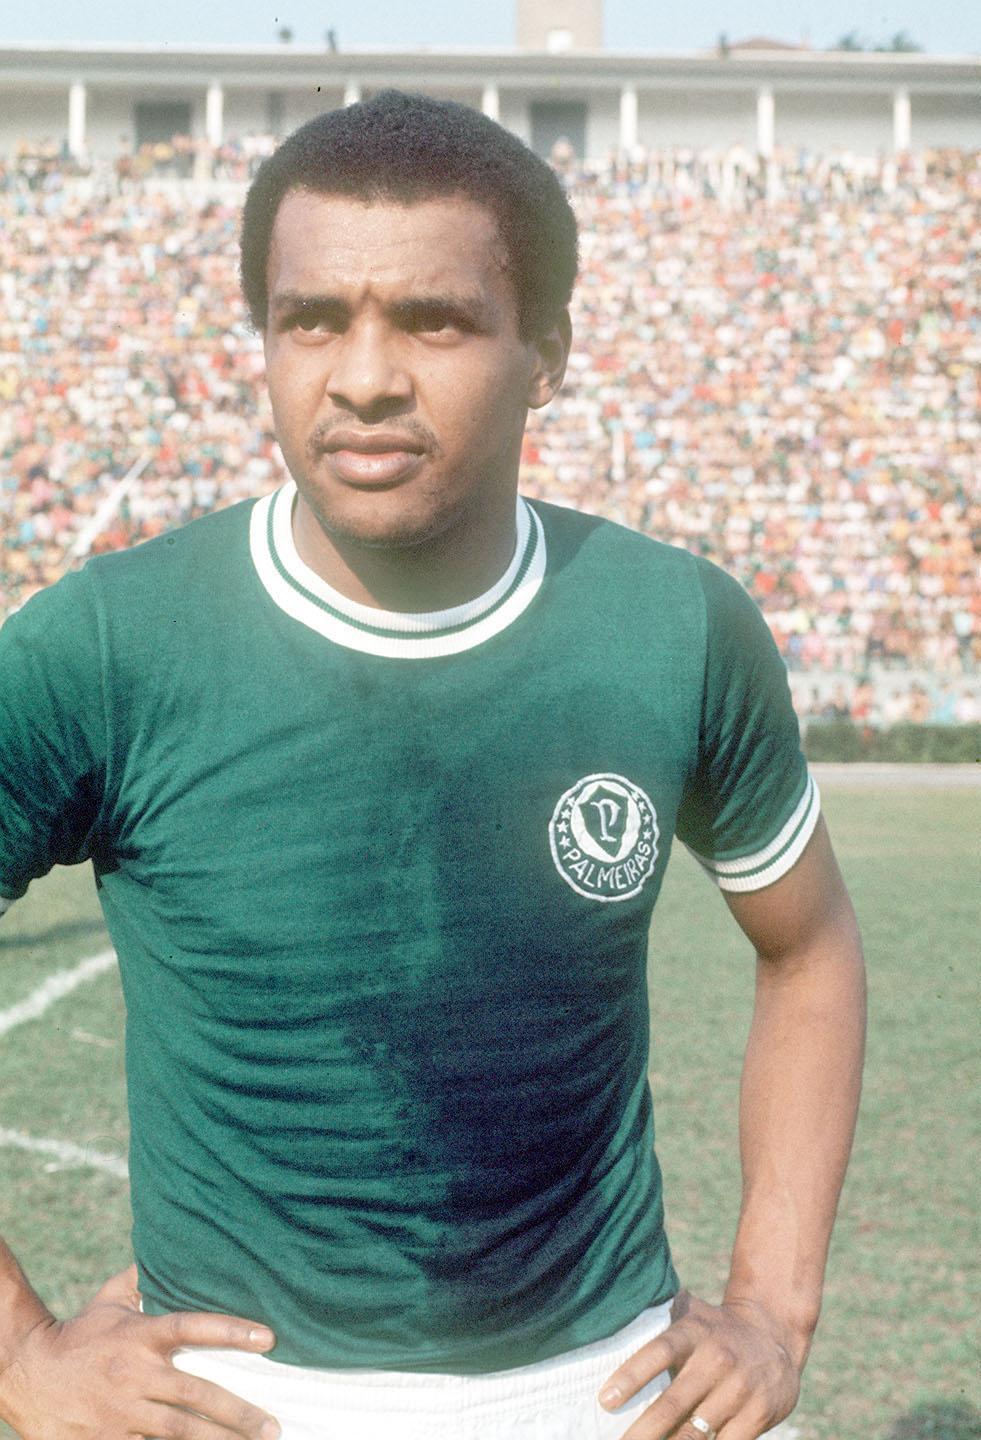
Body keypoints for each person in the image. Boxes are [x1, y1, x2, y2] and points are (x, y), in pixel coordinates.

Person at [0, 92, 865, 1440]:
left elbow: (808, 949)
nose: (363, 377)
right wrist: (19, 1352)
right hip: (228, 1400)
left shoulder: (675, 623)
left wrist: (771, 1304)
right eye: (311, 320)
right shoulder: (107, 642)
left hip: (607, 1388)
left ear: (546, 352)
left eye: (434, 321)